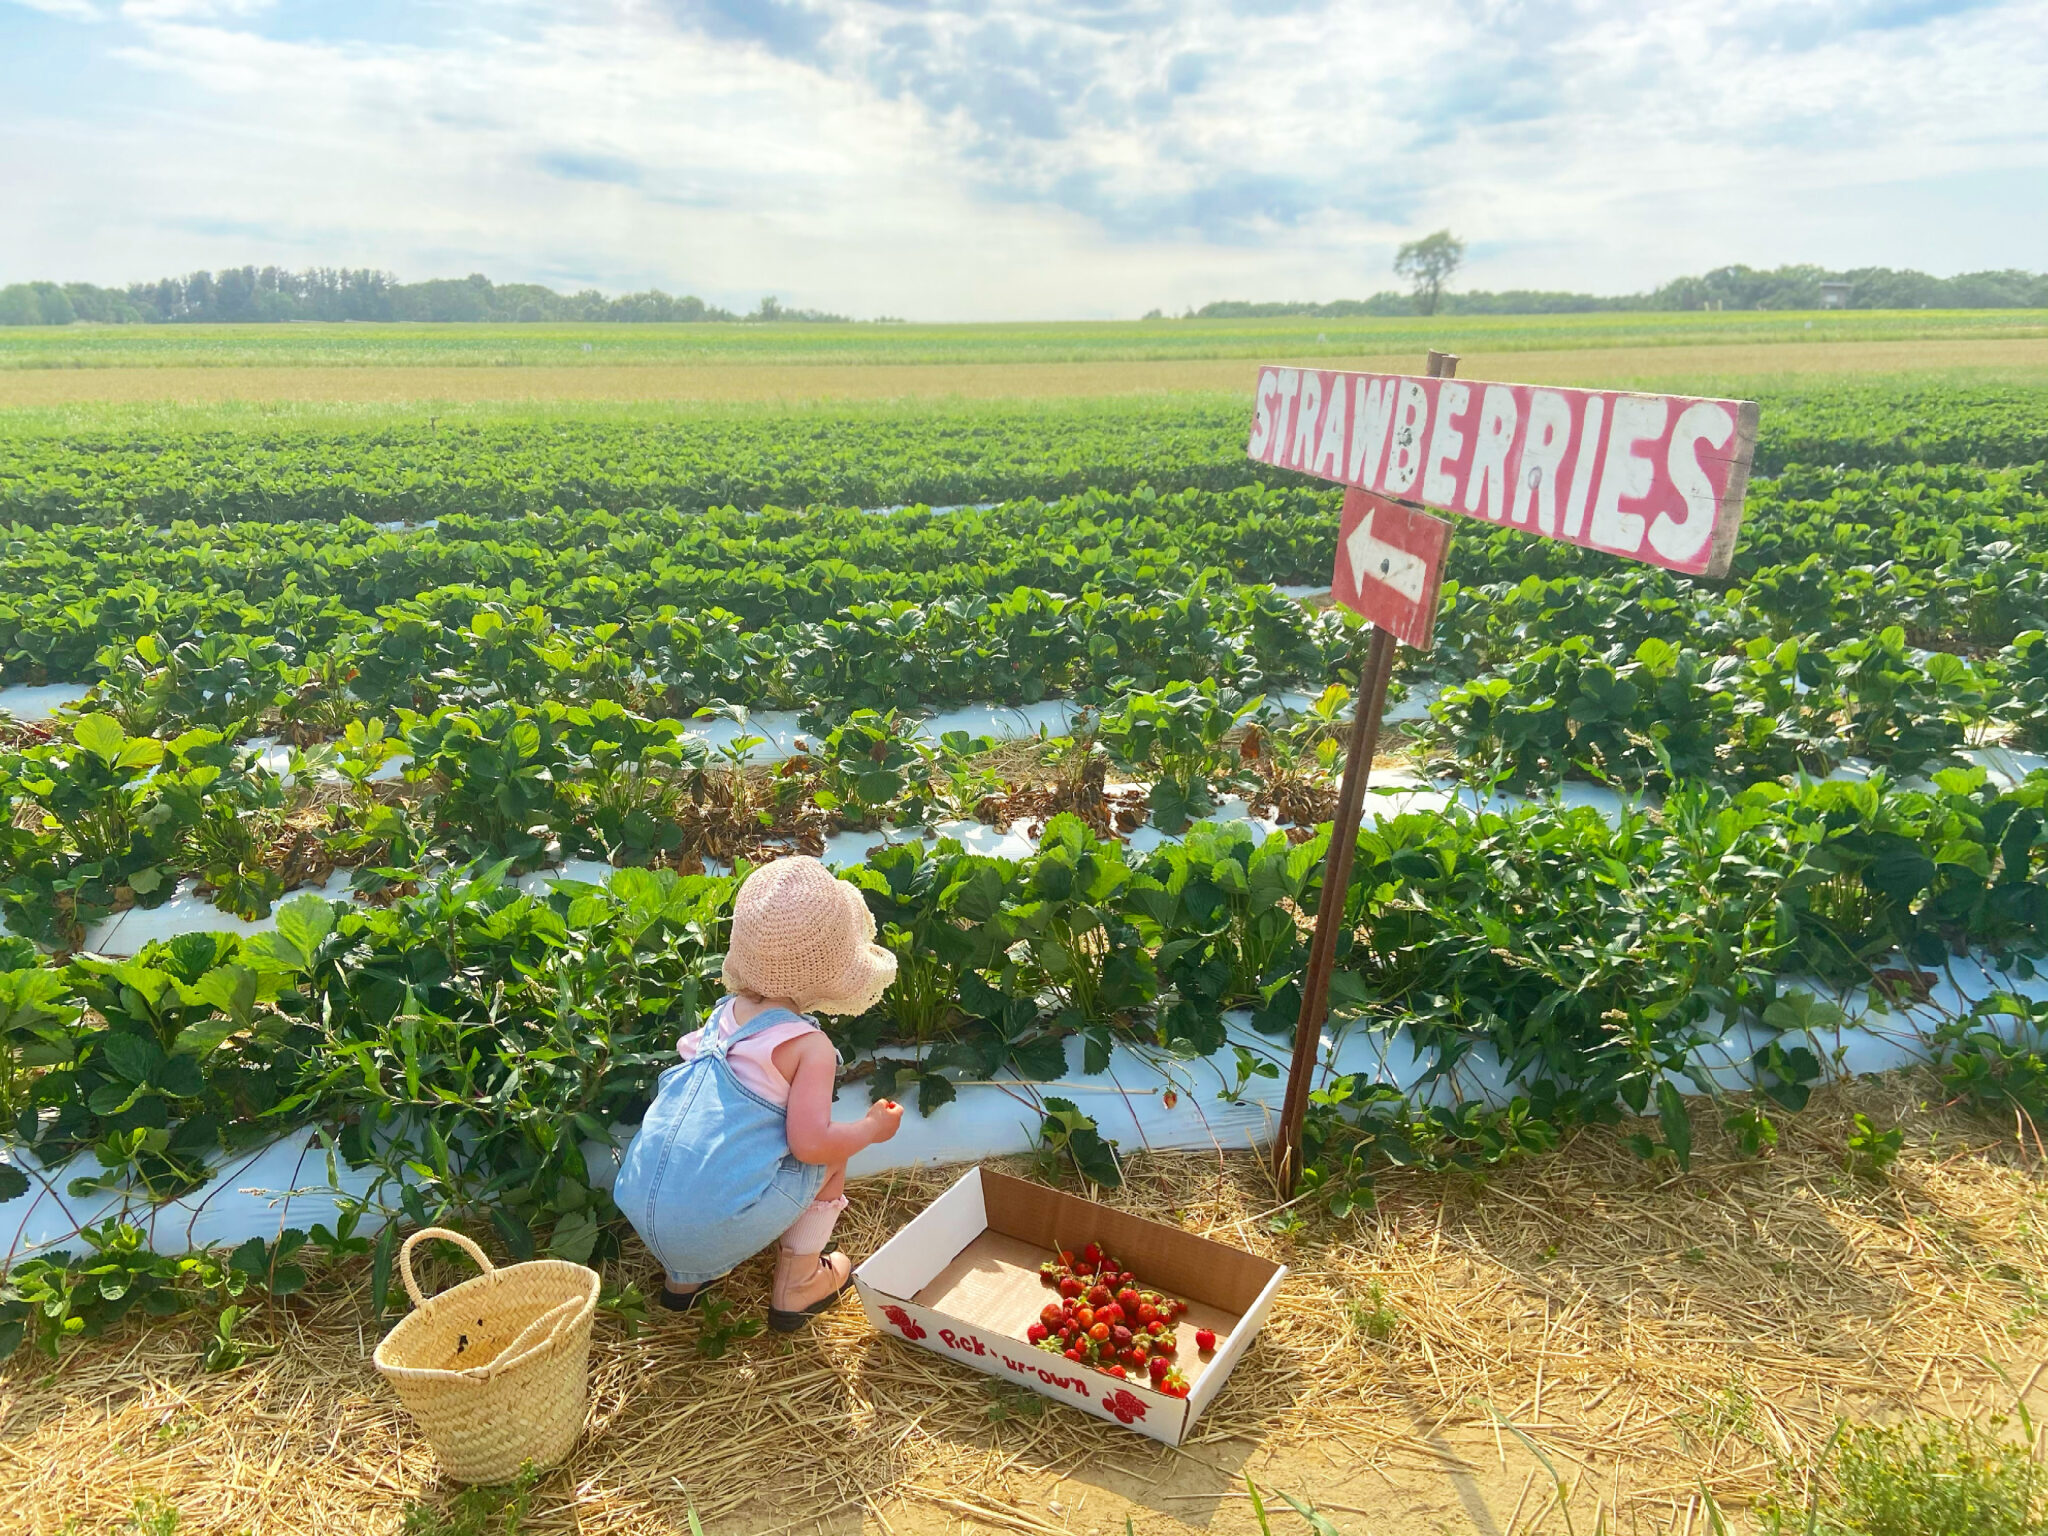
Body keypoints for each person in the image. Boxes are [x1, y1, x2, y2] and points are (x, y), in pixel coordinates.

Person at [613, 855, 904, 1332]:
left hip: (644, 1206)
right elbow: (811, 1144)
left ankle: (683, 1285)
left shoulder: (724, 1015)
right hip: (703, 1228)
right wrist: (871, 1129)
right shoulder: (809, 1047)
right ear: (829, 968)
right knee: (829, 1155)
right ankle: (799, 1285)